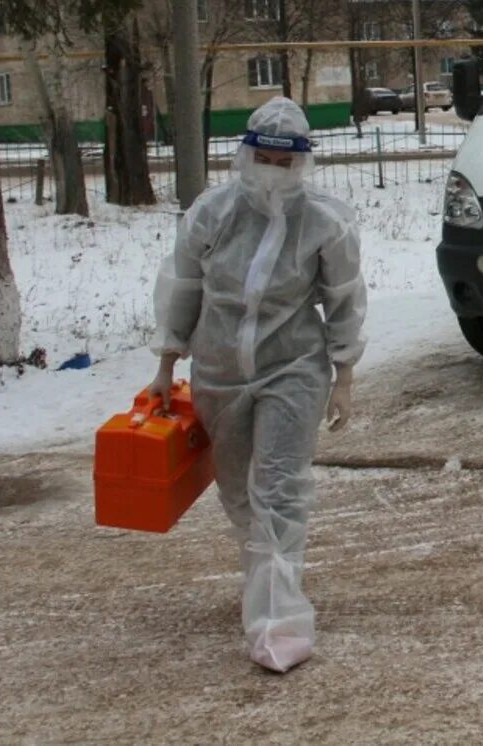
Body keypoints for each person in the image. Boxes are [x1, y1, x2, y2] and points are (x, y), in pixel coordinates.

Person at [149, 96, 367, 672]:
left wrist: (344, 372)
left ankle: (280, 625)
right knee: (239, 494)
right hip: (219, 371)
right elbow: (182, 285)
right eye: (263, 156)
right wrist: (167, 361)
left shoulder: (326, 220)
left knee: (278, 490)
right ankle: (265, 585)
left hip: (292, 367)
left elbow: (344, 297)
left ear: (302, 162)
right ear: (246, 154)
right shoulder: (211, 213)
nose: (272, 168)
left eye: (283, 159)